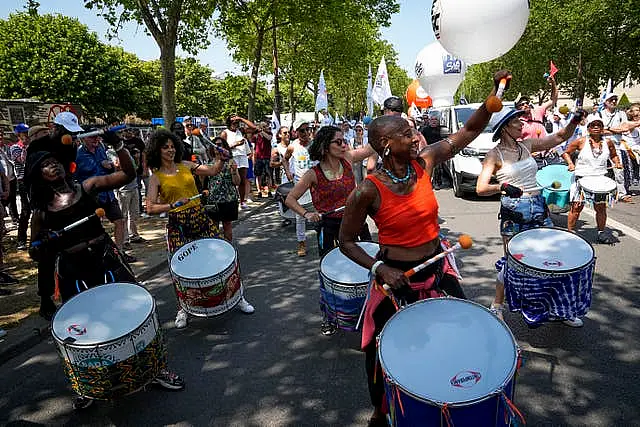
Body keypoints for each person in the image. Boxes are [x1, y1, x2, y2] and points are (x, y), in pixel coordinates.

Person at [338, 70, 511, 426]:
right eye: (405, 133)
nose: (415, 136)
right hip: (393, 280)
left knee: (460, 335)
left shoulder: (424, 163)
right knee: (379, 355)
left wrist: (495, 93)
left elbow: (467, 132)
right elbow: (345, 241)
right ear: (386, 145)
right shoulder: (366, 191)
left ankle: (450, 400)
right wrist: (378, 268)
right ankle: (381, 410)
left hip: (437, 271)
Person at [25, 132, 185, 409]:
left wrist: (118, 145)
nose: (53, 166)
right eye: (45, 165)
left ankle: (155, 369)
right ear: (38, 175)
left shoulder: (86, 187)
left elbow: (127, 173)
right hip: (73, 271)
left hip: (106, 260)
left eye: (54, 161)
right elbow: (34, 253)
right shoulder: (42, 212)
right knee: (84, 332)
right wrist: (43, 243)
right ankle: (90, 385)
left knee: (135, 317)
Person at [476, 107, 585, 327]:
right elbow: (481, 188)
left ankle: (558, 309)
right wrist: (502, 186)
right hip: (514, 211)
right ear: (505, 127)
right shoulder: (494, 155)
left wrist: (574, 120)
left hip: (538, 206)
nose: (522, 125)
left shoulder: (527, 145)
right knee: (515, 262)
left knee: (553, 258)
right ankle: (497, 306)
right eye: (517, 122)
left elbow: (560, 136)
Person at [145, 130, 254, 329]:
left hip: (200, 217)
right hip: (178, 223)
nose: (170, 150)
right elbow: (150, 207)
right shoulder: (156, 178)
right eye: (165, 147)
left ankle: (238, 297)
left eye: (172, 146)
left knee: (222, 256)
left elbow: (212, 171)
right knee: (180, 268)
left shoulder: (186, 165)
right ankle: (183, 309)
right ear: (157, 150)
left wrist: (221, 160)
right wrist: (172, 205)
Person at [75, 131, 135, 263]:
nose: (96, 139)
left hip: (108, 194)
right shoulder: (78, 154)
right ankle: (97, 257)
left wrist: (111, 167)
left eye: (97, 136)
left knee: (119, 221)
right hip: (91, 198)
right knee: (95, 229)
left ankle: (119, 252)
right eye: (92, 137)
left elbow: (111, 170)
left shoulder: (101, 148)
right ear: (84, 138)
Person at [562, 115, 623, 244]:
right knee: (576, 207)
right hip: (581, 178)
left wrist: (617, 162)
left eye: (599, 125)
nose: (596, 127)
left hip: (600, 179)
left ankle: (601, 233)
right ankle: (570, 233)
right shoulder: (581, 141)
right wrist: (571, 164)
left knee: (601, 208)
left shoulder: (608, 142)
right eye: (593, 125)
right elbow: (566, 153)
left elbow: (614, 155)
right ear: (588, 128)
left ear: (602, 128)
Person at [283, 118, 314, 256]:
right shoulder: (292, 146)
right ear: (296, 132)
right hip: (299, 184)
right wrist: (288, 172)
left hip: (315, 183)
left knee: (321, 211)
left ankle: (324, 239)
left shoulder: (314, 144)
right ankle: (301, 243)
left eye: (308, 129)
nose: (306, 132)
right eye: (302, 130)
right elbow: (285, 159)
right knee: (300, 215)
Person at [599, 93, 639, 201]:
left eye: (615, 100)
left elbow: (624, 128)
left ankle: (621, 193)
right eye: (611, 100)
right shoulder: (600, 114)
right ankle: (600, 192)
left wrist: (609, 129)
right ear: (605, 102)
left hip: (616, 145)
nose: (613, 102)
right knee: (600, 169)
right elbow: (599, 131)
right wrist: (613, 129)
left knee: (619, 169)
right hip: (601, 144)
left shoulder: (621, 114)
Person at [205, 137, 240, 242]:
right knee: (213, 226)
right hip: (213, 200)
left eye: (220, 144)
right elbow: (204, 182)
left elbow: (237, 182)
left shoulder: (230, 162)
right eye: (215, 145)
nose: (217, 147)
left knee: (227, 225)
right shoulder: (208, 164)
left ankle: (229, 248)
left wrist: (234, 171)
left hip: (228, 198)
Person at [220, 114, 256, 209]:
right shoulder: (225, 133)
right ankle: (232, 200)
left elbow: (253, 128)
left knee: (242, 181)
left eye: (237, 122)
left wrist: (241, 118)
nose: (235, 124)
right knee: (232, 180)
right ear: (229, 122)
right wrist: (235, 144)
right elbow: (221, 147)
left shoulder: (241, 131)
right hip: (232, 157)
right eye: (233, 122)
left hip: (242, 157)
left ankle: (242, 201)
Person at [10, 123, 30, 249]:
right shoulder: (15, 148)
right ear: (19, 135)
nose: (27, 136)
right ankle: (21, 240)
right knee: (26, 210)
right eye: (24, 133)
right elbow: (23, 160)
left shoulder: (31, 145)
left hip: (33, 180)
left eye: (28, 133)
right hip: (23, 181)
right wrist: (25, 146)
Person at [253, 123, 273, 198]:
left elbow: (269, 138)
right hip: (258, 158)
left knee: (269, 175)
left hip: (267, 157)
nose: (265, 127)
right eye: (263, 126)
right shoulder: (256, 135)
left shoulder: (269, 133)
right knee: (258, 175)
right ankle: (259, 191)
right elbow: (254, 146)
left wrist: (262, 131)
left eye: (265, 126)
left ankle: (269, 191)